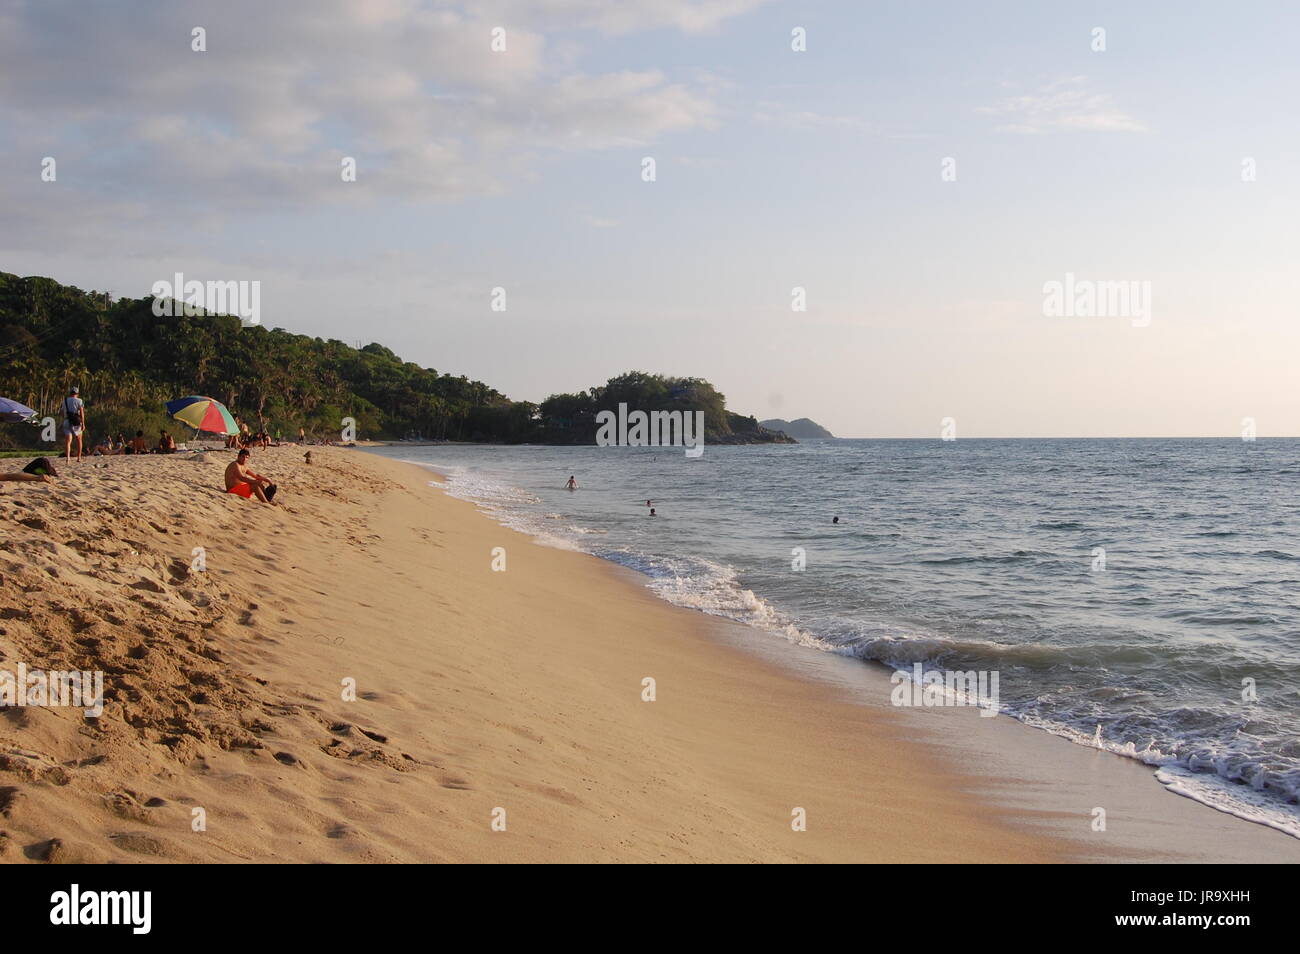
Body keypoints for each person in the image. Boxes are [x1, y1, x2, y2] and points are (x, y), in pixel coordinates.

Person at [61, 386, 85, 463]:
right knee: (79, 440)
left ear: (70, 393)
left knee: (68, 441)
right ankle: (79, 457)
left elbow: (62, 412)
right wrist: (83, 423)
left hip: (66, 421)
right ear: (77, 394)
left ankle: (68, 458)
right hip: (76, 422)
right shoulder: (79, 400)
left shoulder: (64, 400)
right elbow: (81, 413)